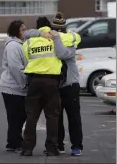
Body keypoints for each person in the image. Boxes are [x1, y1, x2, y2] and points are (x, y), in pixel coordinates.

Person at [21, 24, 76, 156]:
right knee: (52, 117)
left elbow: (26, 57)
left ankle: (27, 148)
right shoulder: (57, 40)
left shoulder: (29, 42)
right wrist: (56, 36)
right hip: (52, 82)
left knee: (31, 116)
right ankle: (51, 148)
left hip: (34, 81)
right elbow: (76, 37)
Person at [0, 20, 52, 152]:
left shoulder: (20, 43)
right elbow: (15, 67)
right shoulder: (13, 46)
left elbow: (31, 33)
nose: (25, 32)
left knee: (20, 116)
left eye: (25, 28)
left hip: (18, 88)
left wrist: (41, 33)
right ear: (15, 31)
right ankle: (13, 143)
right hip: (12, 87)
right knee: (15, 116)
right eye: (22, 29)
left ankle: (15, 141)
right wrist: (24, 83)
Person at [52, 13, 83, 156]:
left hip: (70, 85)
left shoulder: (70, 41)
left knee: (74, 117)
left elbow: (62, 54)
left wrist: (56, 38)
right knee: (57, 118)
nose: (58, 32)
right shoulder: (48, 41)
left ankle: (76, 146)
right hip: (56, 86)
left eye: (59, 30)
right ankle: (59, 144)